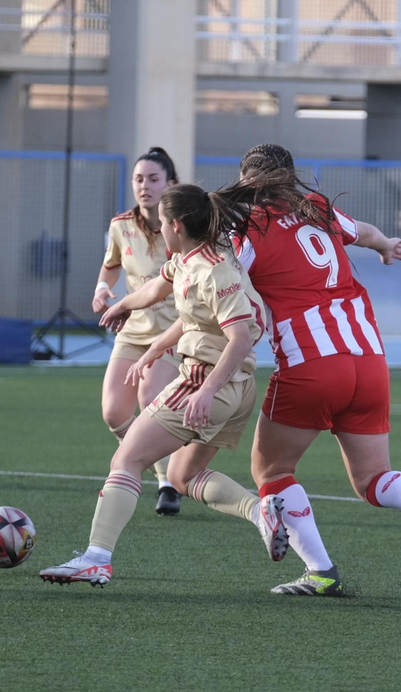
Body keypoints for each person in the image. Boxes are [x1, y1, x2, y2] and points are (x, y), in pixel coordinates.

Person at [229, 143, 401, 597]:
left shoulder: (246, 229)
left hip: (311, 363)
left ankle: (321, 572)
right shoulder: (318, 208)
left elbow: (225, 285)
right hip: (368, 360)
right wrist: (386, 246)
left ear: (247, 184)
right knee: (372, 479)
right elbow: (362, 232)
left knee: (272, 472)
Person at [39, 177, 294, 589]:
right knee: (182, 477)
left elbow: (241, 336)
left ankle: (96, 558)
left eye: (162, 219)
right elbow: (162, 292)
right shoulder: (190, 258)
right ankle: (258, 510)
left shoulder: (214, 271)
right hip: (237, 388)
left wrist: (208, 389)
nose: (158, 225)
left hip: (206, 384)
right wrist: (132, 318)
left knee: (126, 460)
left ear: (176, 225)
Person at [94, 147, 183, 515]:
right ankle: (151, 461)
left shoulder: (184, 224)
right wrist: (102, 289)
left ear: (171, 184)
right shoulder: (121, 225)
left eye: (153, 179)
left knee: (150, 397)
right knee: (114, 413)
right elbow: (111, 266)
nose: (144, 186)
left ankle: (167, 482)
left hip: (175, 331)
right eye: (138, 179)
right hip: (133, 332)